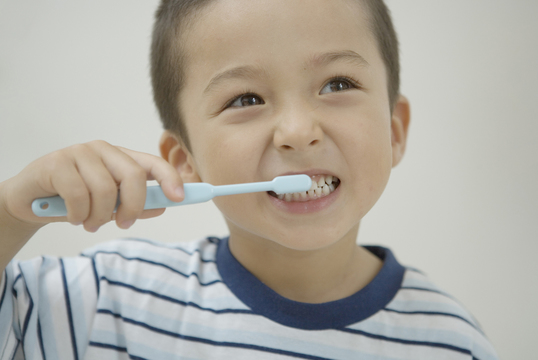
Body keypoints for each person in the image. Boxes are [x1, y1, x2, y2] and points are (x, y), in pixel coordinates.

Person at [0, 0, 499, 359]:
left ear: (394, 131)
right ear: (185, 160)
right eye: (246, 99)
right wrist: (9, 212)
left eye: (338, 84)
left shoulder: (450, 342)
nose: (298, 132)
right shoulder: (101, 301)